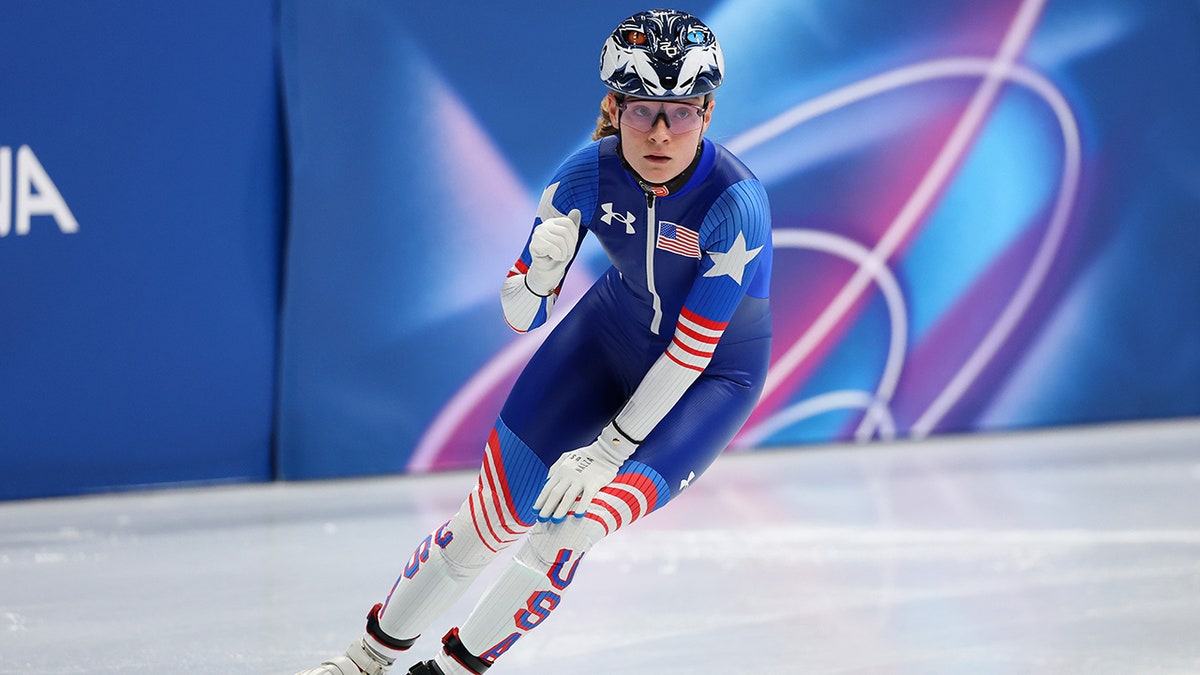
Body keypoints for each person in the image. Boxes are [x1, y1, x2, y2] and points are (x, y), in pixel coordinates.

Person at [296, 8, 772, 675]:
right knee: (488, 517)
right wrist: (539, 277)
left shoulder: (735, 204)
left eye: (681, 113)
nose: (661, 133)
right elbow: (522, 316)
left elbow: (693, 352)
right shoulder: (585, 174)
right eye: (641, 112)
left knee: (573, 524)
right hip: (607, 339)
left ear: (708, 113)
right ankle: (364, 660)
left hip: (710, 378)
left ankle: (456, 669)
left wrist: (608, 451)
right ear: (613, 105)